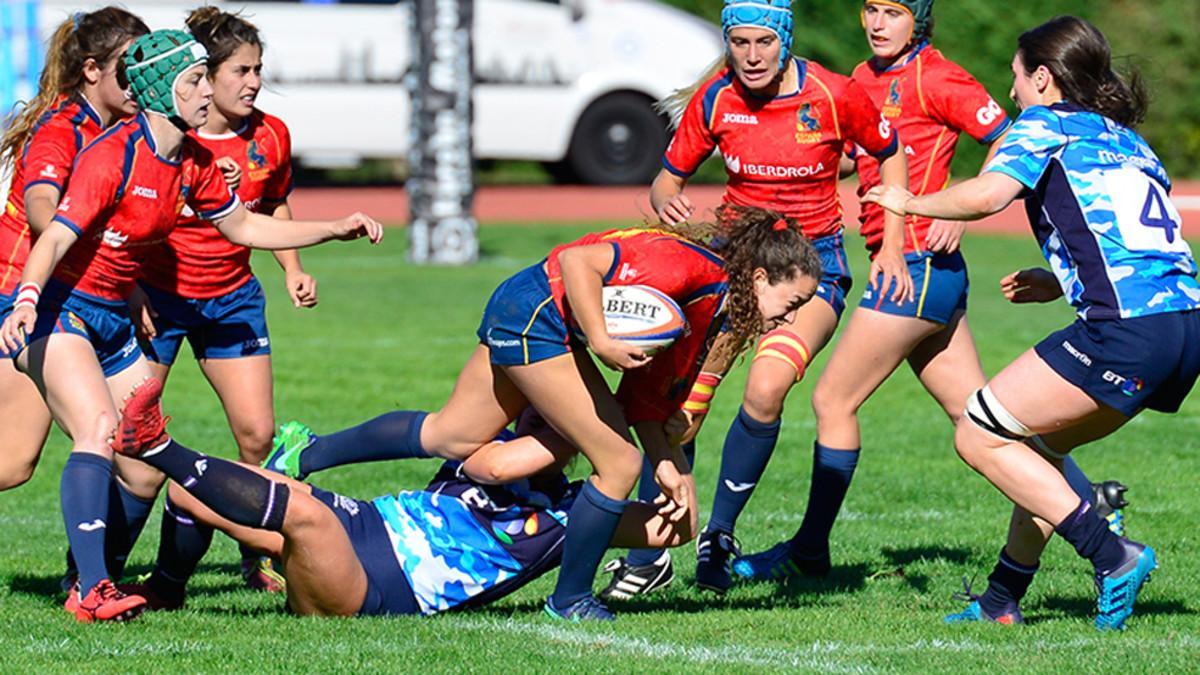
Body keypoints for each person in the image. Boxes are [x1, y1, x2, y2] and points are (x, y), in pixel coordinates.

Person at [128, 205, 824, 621]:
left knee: (450, 433)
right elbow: (582, 262)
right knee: (616, 458)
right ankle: (571, 597)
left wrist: (674, 471)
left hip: (515, 318)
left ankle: (296, 455)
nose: (786, 321)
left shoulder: (713, 309)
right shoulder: (693, 269)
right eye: (788, 303)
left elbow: (642, 410)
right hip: (538, 322)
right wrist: (605, 340)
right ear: (759, 275)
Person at [732, 0, 1127, 585]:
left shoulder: (936, 75)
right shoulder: (862, 80)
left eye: (892, 11)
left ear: (917, 19)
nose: (877, 22)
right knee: (983, 420)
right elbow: (857, 156)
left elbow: (1011, 135)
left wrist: (964, 209)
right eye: (870, 8)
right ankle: (1090, 502)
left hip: (915, 265)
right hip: (924, 276)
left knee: (832, 402)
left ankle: (809, 551)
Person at [0, 29, 383, 623]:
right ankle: (93, 590)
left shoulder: (197, 163)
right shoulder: (113, 154)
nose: (210, 91)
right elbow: (52, 236)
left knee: (141, 461)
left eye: (208, 77)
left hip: (110, 316)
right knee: (97, 427)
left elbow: (248, 230)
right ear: (160, 89)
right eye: (196, 80)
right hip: (59, 306)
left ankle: (91, 574)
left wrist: (333, 228)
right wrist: (26, 300)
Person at [863, 15, 1195, 630]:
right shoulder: (1127, 138)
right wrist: (1062, 280)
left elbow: (989, 194)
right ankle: (999, 602)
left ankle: (1112, 554)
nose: (1012, 89)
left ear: (1042, 78)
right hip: (1182, 328)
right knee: (1036, 453)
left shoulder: (1045, 123)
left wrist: (909, 201)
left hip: (1126, 331)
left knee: (978, 431)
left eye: (1016, 76)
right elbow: (1135, 240)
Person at [607, 0, 911, 597]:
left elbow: (890, 153)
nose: (751, 56)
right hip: (733, 264)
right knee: (676, 409)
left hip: (812, 267)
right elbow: (668, 177)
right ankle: (654, 550)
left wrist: (894, 244)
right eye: (739, 43)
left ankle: (719, 534)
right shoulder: (717, 99)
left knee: (767, 387)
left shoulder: (832, 92)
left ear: (785, 41)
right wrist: (668, 199)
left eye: (763, 43)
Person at [110, 385, 696, 618]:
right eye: (539, 415)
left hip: (377, 591)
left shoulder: (580, 513)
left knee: (305, 513)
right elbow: (497, 464)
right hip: (366, 526)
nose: (534, 423)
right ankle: (166, 588)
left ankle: (157, 446)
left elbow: (674, 531)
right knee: (201, 488)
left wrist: (665, 456)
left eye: (551, 422)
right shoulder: (488, 448)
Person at [132, 6, 311, 593]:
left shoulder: (270, 134)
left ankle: (254, 551)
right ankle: (96, 564)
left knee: (258, 435)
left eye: (258, 69)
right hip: (160, 297)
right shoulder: (165, 135)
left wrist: (292, 268)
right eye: (241, 69)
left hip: (232, 298)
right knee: (131, 445)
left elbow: (274, 206)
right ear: (205, 75)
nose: (254, 81)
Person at [0, 7, 148, 491]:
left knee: (135, 461)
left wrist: (129, 288)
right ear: (91, 70)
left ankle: (91, 568)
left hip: (71, 299)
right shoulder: (61, 128)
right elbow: (44, 210)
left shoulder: (123, 130)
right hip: (18, 295)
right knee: (14, 460)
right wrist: (72, 226)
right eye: (129, 68)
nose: (139, 82)